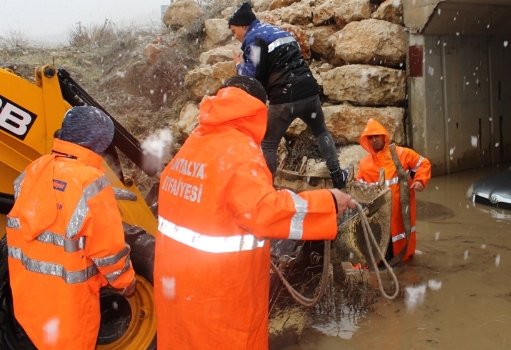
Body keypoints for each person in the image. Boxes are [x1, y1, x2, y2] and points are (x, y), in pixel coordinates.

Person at [153, 75, 355, 349]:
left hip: (178, 289)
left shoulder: (191, 147)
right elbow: (263, 212)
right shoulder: (240, 153)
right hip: (222, 294)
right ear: (258, 109)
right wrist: (328, 202)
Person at [5, 106, 136, 350]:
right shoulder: (91, 183)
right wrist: (126, 283)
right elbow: (108, 250)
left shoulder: (34, 170)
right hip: (70, 310)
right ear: (99, 143)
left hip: (28, 303)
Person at [228, 2, 350, 188]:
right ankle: (338, 177)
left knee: (268, 144)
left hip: (284, 98)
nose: (235, 36)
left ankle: (266, 189)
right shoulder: (278, 31)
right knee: (321, 132)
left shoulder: (254, 37)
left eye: (234, 31)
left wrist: (238, 65)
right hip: (309, 92)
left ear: (244, 26)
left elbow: (250, 77)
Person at [355, 118, 432, 262]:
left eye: (376, 136)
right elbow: (359, 189)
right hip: (378, 215)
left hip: (400, 213)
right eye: (370, 138)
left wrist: (420, 180)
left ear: (384, 136)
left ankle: (401, 268)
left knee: (401, 248)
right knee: (379, 247)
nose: (374, 140)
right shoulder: (364, 164)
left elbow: (423, 164)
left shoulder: (402, 154)